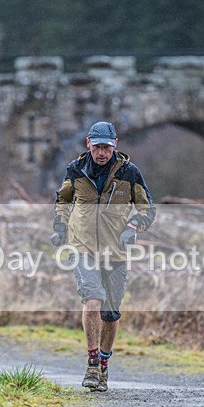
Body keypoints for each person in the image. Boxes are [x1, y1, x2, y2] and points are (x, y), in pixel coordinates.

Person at [51, 121, 156, 391]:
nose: (101, 152)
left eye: (106, 147)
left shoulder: (130, 173)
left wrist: (133, 226)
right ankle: (92, 364)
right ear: (88, 143)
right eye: (97, 147)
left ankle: (105, 366)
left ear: (115, 145)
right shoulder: (75, 170)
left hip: (116, 252)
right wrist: (60, 225)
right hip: (82, 246)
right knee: (92, 298)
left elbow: (148, 209)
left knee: (111, 314)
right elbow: (63, 200)